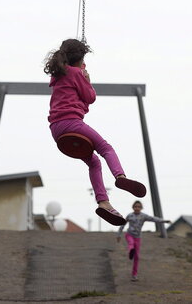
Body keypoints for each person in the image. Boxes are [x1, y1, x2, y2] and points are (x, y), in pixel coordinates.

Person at [45, 38, 147, 226]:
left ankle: (104, 202)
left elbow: (75, 88)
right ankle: (120, 177)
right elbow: (90, 98)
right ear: (79, 58)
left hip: (56, 131)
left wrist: (80, 71)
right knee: (105, 148)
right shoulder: (77, 74)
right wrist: (87, 80)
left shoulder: (58, 75)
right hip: (72, 124)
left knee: (94, 162)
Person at [116, 200, 170, 281]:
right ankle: (131, 251)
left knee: (137, 257)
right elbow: (122, 225)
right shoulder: (130, 215)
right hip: (129, 234)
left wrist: (164, 221)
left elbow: (153, 219)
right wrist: (119, 235)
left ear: (141, 208)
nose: (137, 208)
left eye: (138, 207)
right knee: (131, 243)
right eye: (135, 207)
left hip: (138, 237)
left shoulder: (143, 216)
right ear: (133, 207)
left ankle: (134, 274)